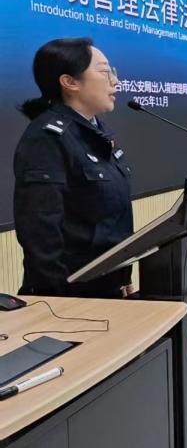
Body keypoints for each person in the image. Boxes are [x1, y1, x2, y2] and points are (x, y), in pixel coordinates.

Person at [13, 37, 134, 298]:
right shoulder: (47, 138)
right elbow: (40, 233)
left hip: (108, 290)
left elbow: (109, 222)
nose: (116, 81)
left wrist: (122, 279)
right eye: (105, 72)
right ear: (69, 82)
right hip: (71, 300)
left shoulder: (96, 133)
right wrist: (62, 301)